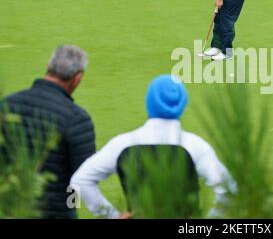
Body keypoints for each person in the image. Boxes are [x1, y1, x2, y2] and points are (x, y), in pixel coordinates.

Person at [70, 74, 235, 219]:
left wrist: (111, 215)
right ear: (182, 105)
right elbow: (229, 190)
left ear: (149, 101)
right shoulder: (196, 146)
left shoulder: (123, 143)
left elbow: (81, 179)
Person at [0, 45, 96, 218]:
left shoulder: (6, 105)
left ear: (48, 66)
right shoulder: (77, 119)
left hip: (10, 209)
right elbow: (83, 179)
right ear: (77, 78)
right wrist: (70, 207)